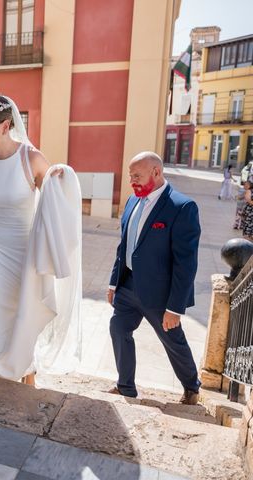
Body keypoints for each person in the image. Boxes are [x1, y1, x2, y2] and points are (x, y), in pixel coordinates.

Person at [0, 95, 82, 384]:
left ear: (6, 125)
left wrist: (59, 179)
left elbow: (53, 195)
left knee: (20, 311)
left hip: (24, 246)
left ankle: (23, 369)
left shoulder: (30, 158)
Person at [107, 152, 201, 404]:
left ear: (156, 172)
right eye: (130, 176)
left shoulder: (182, 207)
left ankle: (192, 387)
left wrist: (175, 307)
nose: (132, 181)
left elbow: (186, 264)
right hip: (127, 287)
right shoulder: (131, 201)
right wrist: (113, 282)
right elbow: (124, 245)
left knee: (173, 342)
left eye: (137, 176)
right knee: (118, 328)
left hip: (161, 296)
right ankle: (126, 387)